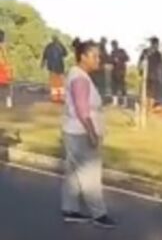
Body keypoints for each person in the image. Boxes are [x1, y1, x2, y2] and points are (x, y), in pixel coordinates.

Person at [61, 39, 117, 229]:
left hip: (73, 131)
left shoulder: (78, 75)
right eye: (94, 56)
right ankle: (99, 214)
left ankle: (70, 209)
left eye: (98, 56)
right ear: (83, 57)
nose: (98, 60)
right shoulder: (80, 78)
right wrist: (92, 133)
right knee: (90, 174)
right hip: (81, 133)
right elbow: (82, 109)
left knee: (74, 173)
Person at [138, 36, 162, 109]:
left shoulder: (158, 54)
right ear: (153, 44)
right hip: (146, 74)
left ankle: (150, 106)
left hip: (154, 75)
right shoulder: (146, 52)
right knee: (146, 91)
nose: (157, 45)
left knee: (153, 92)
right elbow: (140, 62)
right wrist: (140, 71)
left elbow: (160, 65)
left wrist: (160, 76)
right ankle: (144, 105)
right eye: (155, 44)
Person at [41, 36, 68, 104]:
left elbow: (44, 56)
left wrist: (42, 64)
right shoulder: (59, 46)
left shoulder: (49, 46)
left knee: (55, 83)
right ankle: (60, 97)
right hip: (59, 68)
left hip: (53, 68)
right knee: (59, 83)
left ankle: (56, 98)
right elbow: (65, 54)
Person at [109, 40, 129, 105]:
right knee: (114, 86)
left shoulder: (122, 51)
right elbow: (109, 60)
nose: (113, 46)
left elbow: (127, 58)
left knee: (122, 86)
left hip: (121, 71)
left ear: (117, 44)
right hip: (114, 71)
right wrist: (113, 60)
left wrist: (120, 59)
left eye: (114, 44)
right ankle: (115, 102)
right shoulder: (112, 52)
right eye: (112, 45)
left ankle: (125, 102)